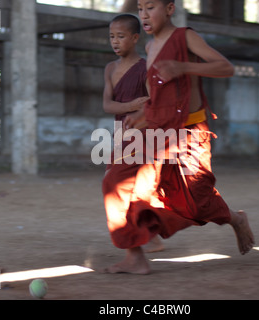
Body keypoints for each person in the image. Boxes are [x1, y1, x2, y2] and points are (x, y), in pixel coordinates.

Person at [102, 0, 254, 275]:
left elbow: (225, 67)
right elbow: (160, 98)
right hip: (157, 131)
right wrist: (142, 116)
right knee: (117, 181)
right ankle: (134, 256)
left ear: (170, 9)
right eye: (140, 8)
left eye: (151, 7)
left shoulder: (186, 37)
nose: (145, 14)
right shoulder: (150, 47)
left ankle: (236, 219)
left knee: (196, 202)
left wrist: (184, 67)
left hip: (189, 134)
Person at [103, 14, 164, 253]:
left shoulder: (146, 68)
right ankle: (152, 238)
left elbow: (153, 103)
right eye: (111, 37)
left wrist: (140, 108)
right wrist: (130, 105)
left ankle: (142, 240)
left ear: (135, 38)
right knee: (121, 185)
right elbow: (107, 105)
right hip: (121, 133)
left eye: (121, 36)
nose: (115, 42)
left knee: (124, 186)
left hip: (143, 134)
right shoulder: (110, 69)